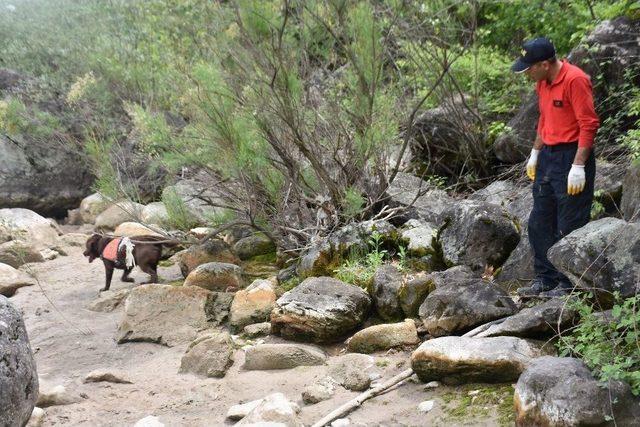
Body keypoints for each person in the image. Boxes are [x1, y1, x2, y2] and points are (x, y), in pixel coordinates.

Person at [511, 37, 600, 298]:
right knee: (539, 221)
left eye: (529, 67)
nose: (526, 72)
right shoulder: (542, 83)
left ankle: (569, 285)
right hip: (548, 156)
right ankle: (545, 279)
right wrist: (535, 152)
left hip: (571, 157)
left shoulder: (575, 79)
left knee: (570, 222)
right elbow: (545, 118)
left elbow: (589, 124)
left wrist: (578, 166)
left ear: (545, 64)